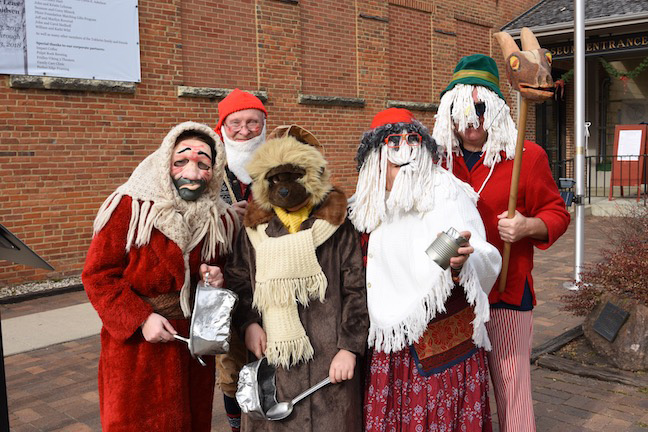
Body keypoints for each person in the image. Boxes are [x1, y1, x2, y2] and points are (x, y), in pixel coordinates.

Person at [432, 54, 571, 432]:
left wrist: (528, 226)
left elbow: (558, 215)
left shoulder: (528, 156)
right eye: (463, 108)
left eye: (480, 107)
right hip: (454, 297)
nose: (472, 119)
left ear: (494, 108)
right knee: (459, 390)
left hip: (507, 291)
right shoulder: (437, 161)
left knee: (512, 388)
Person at [350, 108, 501, 431]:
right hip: (391, 346)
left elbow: (472, 250)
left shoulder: (444, 191)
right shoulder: (368, 203)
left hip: (441, 351)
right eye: (393, 148)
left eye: (412, 144)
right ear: (376, 160)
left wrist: (459, 264)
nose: (404, 155)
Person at [82, 122, 238, 431]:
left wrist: (218, 278)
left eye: (203, 164)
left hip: (191, 344)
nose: (192, 173)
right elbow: (98, 276)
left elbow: (226, 272)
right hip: (137, 351)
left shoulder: (219, 217)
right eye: (181, 161)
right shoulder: (130, 206)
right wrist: (141, 318)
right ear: (166, 160)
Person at [226, 134, 369, 432]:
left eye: (294, 177)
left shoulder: (337, 227)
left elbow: (356, 290)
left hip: (330, 362)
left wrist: (349, 348)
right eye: (276, 179)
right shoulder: (254, 230)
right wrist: (249, 324)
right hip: (275, 363)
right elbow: (240, 283)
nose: (285, 187)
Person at [214, 88, 268, 431]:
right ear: (223, 126)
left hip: (271, 278)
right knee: (230, 366)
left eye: (252, 122)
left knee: (269, 357)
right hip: (223, 279)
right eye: (236, 123)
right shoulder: (209, 166)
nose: (244, 130)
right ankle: (237, 426)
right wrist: (223, 215)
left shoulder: (278, 162)